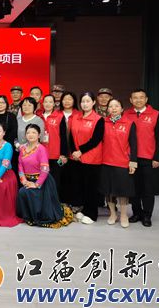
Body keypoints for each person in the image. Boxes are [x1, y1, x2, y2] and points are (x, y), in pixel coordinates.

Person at [16, 124, 73, 228]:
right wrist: (23, 180)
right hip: (27, 179)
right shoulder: (22, 148)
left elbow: (45, 170)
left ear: (39, 135)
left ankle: (38, 217)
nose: (30, 135)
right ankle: (29, 217)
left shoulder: (41, 149)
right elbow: (20, 166)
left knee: (29, 192)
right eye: (28, 133)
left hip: (42, 181)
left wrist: (36, 184)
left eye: (34, 132)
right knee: (22, 191)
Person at [123, 88, 159, 227]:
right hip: (130, 158)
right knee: (133, 188)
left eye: (141, 97)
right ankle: (136, 213)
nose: (138, 100)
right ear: (130, 100)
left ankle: (147, 215)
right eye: (135, 97)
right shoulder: (126, 114)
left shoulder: (155, 114)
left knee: (147, 189)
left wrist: (157, 157)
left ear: (146, 99)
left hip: (148, 158)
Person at [101, 98, 137, 228]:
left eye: (116, 106)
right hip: (105, 161)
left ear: (122, 109)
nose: (113, 108)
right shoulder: (103, 122)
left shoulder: (129, 123)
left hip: (122, 162)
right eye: (111, 106)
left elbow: (134, 144)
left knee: (123, 191)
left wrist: (133, 162)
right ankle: (112, 214)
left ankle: (123, 215)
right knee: (109, 191)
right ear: (107, 109)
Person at [70, 92, 104, 225]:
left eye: (88, 101)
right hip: (77, 158)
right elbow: (71, 136)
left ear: (94, 102)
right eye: (83, 101)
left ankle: (92, 214)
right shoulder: (76, 117)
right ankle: (84, 210)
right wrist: (74, 152)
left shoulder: (98, 119)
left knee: (91, 187)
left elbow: (96, 140)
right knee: (81, 186)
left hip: (92, 158)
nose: (85, 104)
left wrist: (80, 151)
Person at [41, 94, 66, 196]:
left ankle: (55, 202)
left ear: (54, 104)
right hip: (41, 155)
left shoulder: (60, 117)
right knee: (42, 180)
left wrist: (63, 154)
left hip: (56, 155)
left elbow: (64, 137)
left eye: (50, 102)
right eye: (46, 101)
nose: (48, 104)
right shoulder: (38, 117)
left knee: (55, 181)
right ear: (42, 103)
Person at [58, 91, 80, 207]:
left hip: (75, 153)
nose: (67, 101)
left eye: (69, 99)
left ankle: (75, 203)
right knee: (61, 177)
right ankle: (62, 203)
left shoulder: (79, 115)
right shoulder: (56, 114)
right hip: (59, 153)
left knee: (74, 178)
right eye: (64, 99)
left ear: (74, 101)